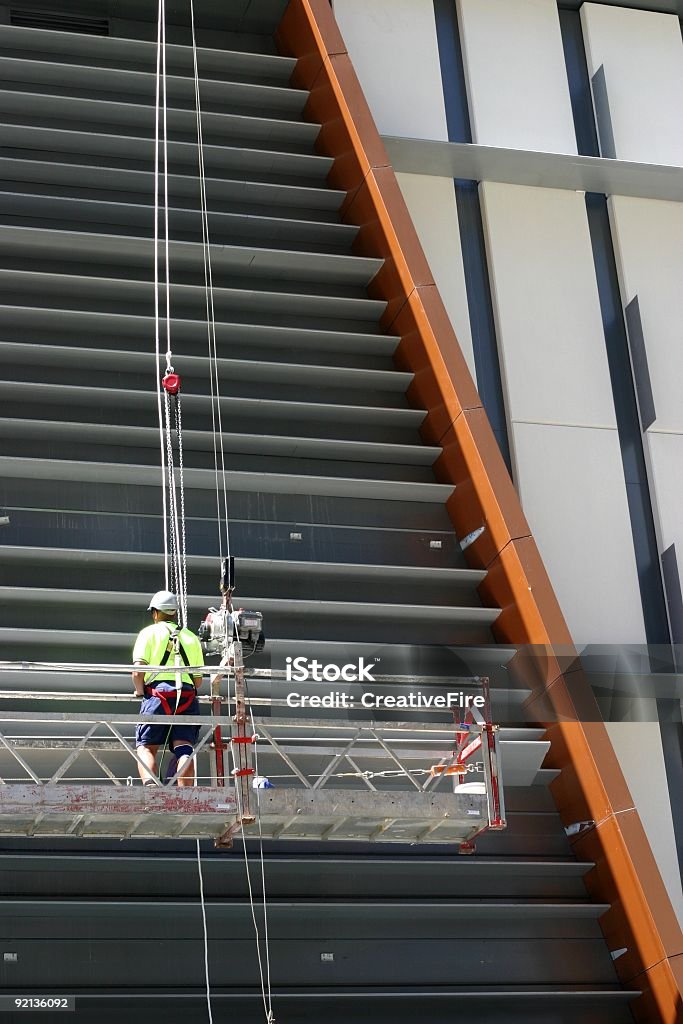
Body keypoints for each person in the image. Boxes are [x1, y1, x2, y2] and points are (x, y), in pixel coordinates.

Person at [132, 590, 204, 787]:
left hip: (157, 696)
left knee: (146, 747)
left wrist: (139, 691)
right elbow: (198, 682)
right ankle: (185, 794)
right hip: (187, 697)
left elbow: (137, 672)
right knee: (184, 748)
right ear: (174, 613)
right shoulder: (191, 638)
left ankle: (151, 787)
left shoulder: (147, 634)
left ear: (155, 612)